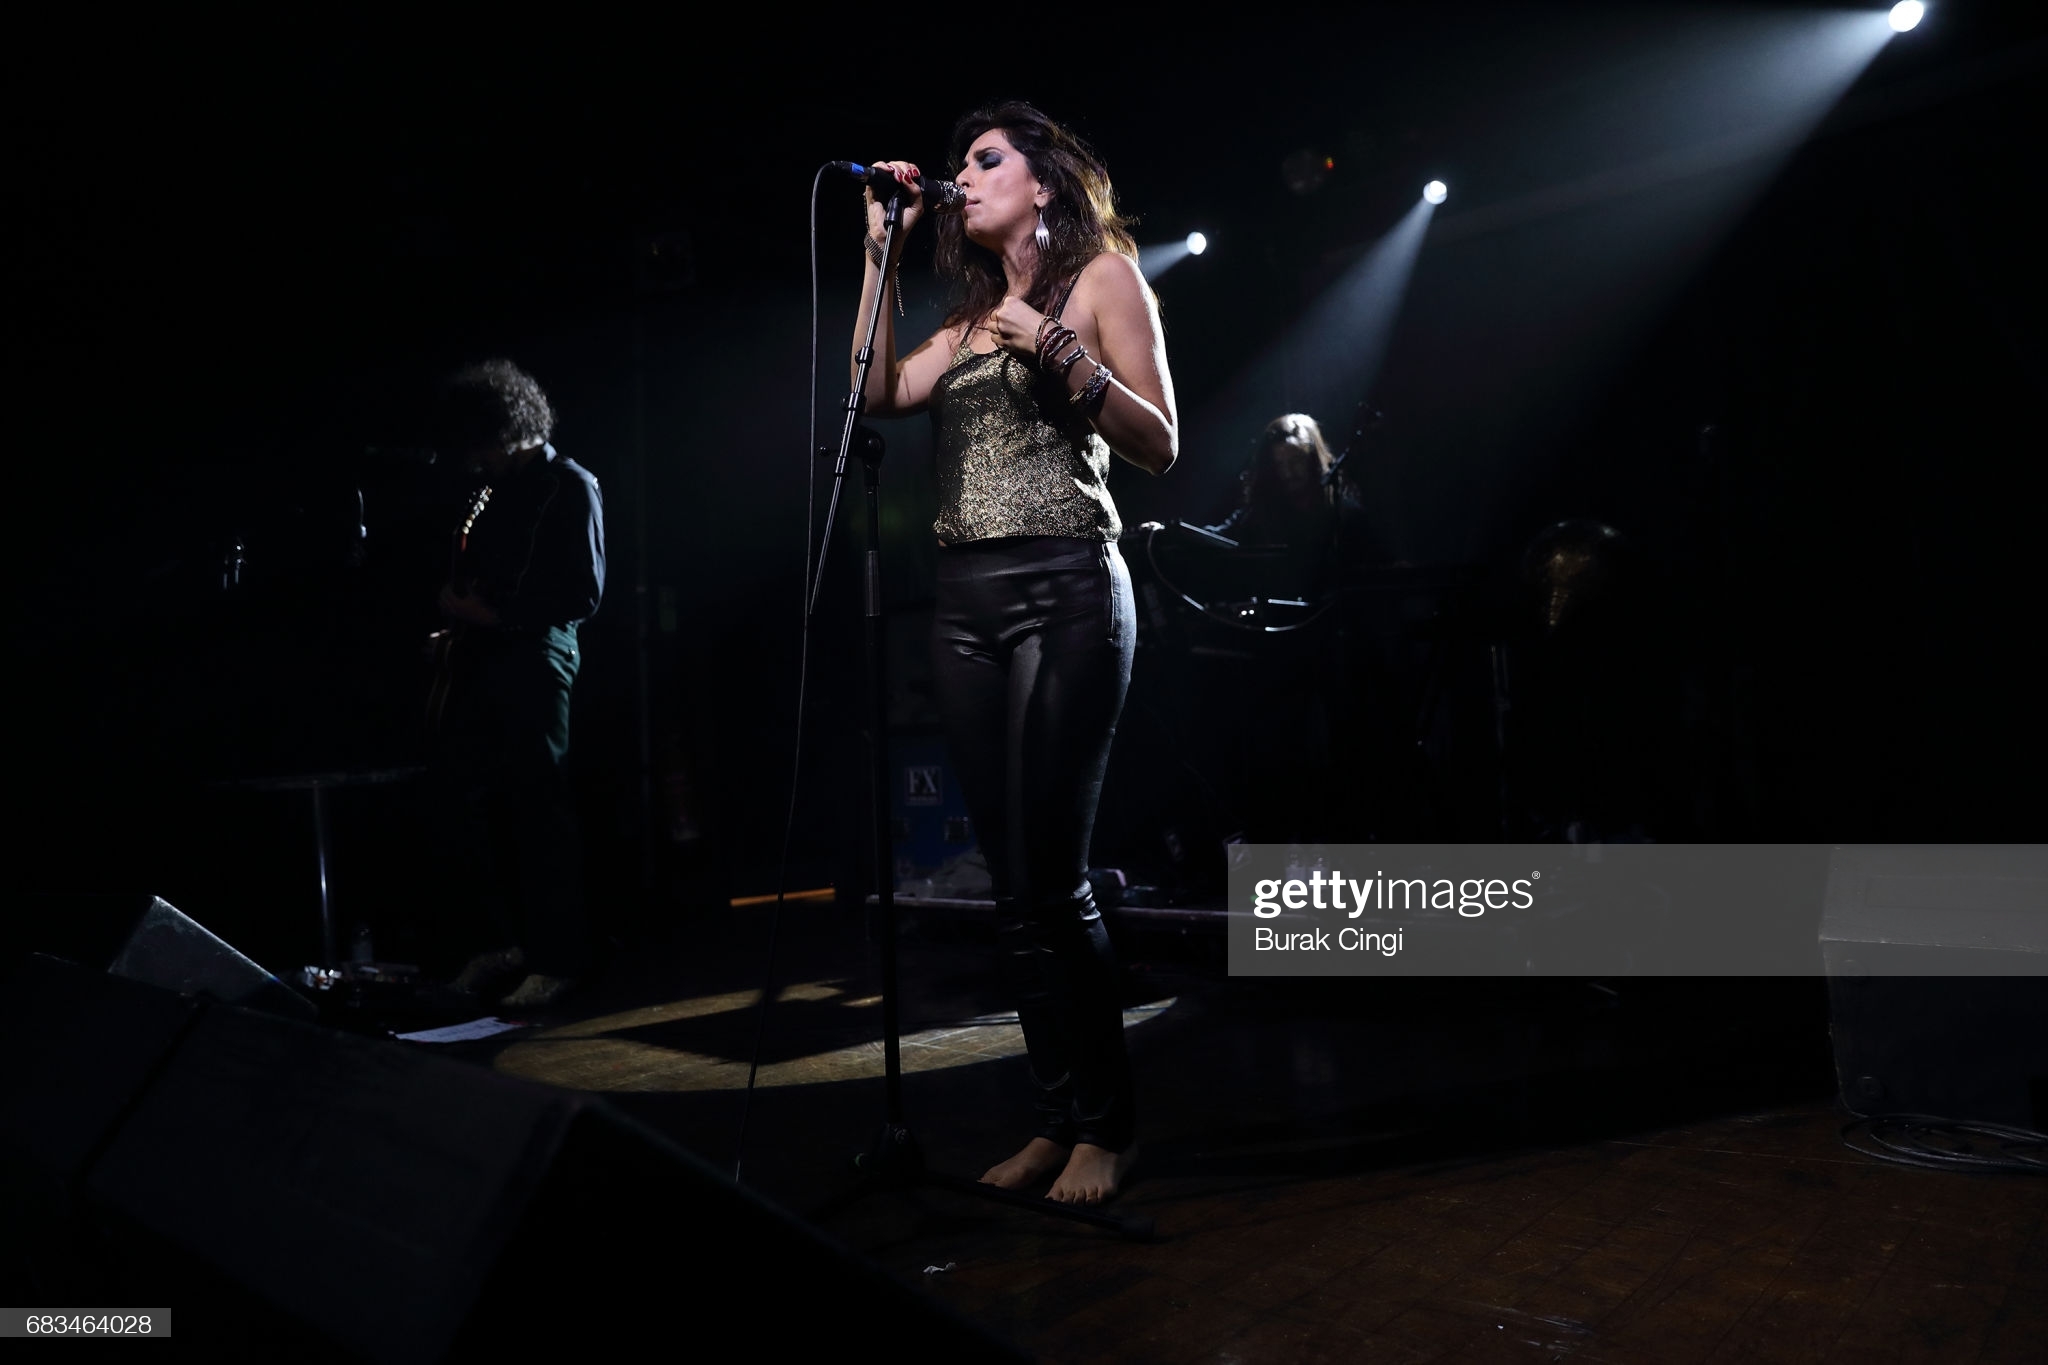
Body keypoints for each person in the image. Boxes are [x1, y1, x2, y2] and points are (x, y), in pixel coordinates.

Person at [854, 103, 1176, 1205]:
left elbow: (1159, 441)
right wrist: (878, 256)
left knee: (1051, 876)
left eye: (986, 159)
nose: (964, 174)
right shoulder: (967, 319)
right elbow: (874, 394)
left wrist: (1056, 347)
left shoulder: (1102, 281)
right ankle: (1055, 1115)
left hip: (1066, 587)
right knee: (1010, 887)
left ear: (1042, 184)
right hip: (964, 605)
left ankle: (1106, 1128)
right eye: (961, 162)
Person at [427, 359, 604, 1011]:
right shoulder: (492, 492)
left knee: (539, 807)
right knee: (472, 805)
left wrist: (495, 616)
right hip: (483, 658)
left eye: (481, 442)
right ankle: (501, 945)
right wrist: (459, 615)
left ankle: (558, 960)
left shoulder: (570, 484)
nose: (476, 458)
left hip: (536, 657)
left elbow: (583, 593)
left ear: (505, 426)